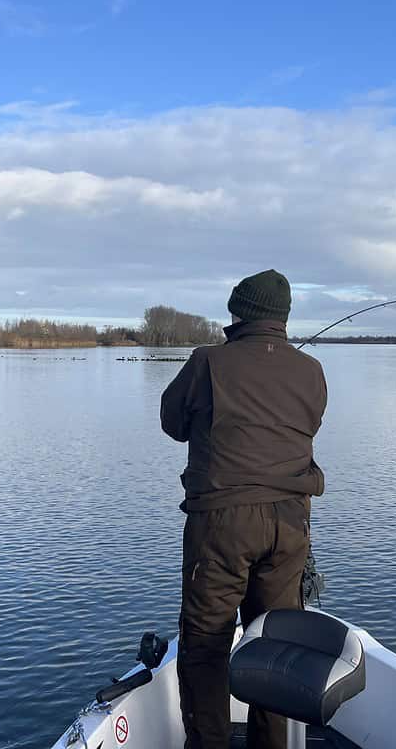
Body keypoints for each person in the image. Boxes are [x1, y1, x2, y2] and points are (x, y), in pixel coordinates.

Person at [160, 269, 328, 749]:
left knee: (206, 643)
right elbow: (309, 423)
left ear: (240, 313)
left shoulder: (207, 362)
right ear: (283, 318)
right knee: (274, 647)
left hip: (223, 525)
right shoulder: (312, 371)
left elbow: (172, 422)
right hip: (291, 524)